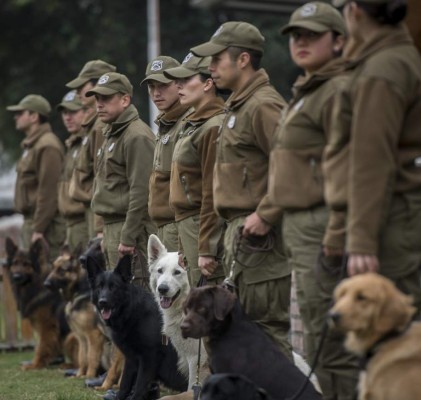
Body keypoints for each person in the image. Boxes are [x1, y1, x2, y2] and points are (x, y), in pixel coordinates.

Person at [268, 3, 359, 399]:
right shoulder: (310, 89)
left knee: (332, 341)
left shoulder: (338, 90)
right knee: (317, 334)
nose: (300, 42)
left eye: (312, 34)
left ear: (339, 40)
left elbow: (352, 166)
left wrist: (336, 233)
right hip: (300, 222)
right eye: (295, 35)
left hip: (323, 220)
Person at [190, 21, 292, 360]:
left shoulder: (263, 105)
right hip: (239, 232)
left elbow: (291, 165)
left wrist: (267, 213)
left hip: (261, 236)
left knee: (265, 331)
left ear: (243, 59)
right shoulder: (238, 106)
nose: (210, 68)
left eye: (218, 59)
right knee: (245, 331)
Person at [323, 0, 421, 312]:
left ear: (355, 11)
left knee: (397, 336)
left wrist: (362, 240)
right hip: (392, 214)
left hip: (391, 221)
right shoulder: (387, 60)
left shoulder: (383, 68)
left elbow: (371, 158)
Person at [163, 53, 226, 286]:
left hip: (202, 224)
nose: (178, 86)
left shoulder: (213, 125)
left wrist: (207, 246)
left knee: (209, 297)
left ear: (208, 83)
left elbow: (212, 190)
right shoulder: (193, 125)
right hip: (188, 225)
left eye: (186, 80)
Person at [86, 72, 156, 275]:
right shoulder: (114, 133)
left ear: (125, 100)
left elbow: (141, 191)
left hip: (129, 228)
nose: (99, 104)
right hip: (112, 227)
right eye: (97, 98)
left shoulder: (136, 135)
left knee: (135, 296)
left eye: (106, 98)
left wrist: (128, 236)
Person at [140, 56, 192, 252]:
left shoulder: (186, 122)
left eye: (162, 85)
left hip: (178, 224)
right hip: (163, 225)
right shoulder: (166, 124)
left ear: (179, 84)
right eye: (151, 86)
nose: (156, 92)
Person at [7, 94, 65, 260]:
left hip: (46, 227)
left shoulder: (47, 145)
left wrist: (38, 229)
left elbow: (49, 192)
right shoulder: (33, 145)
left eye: (20, 113)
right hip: (33, 222)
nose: (16, 117)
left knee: (44, 277)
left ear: (34, 117)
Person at [66, 59, 117, 239]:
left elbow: (101, 178)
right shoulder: (93, 125)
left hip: (98, 212)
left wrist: (99, 227)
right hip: (91, 210)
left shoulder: (99, 126)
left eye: (82, 86)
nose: (78, 92)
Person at [56, 90, 89, 251]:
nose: (67, 117)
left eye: (73, 112)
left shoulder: (88, 141)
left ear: (86, 111)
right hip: (70, 223)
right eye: (65, 113)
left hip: (83, 221)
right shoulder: (73, 144)